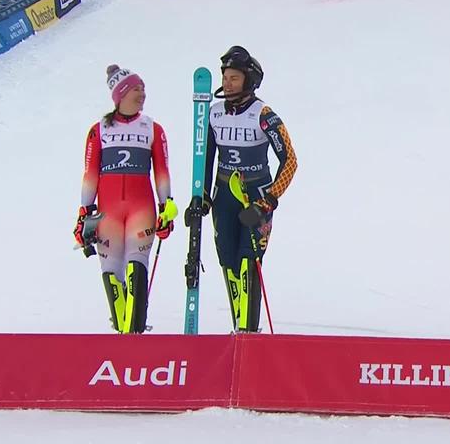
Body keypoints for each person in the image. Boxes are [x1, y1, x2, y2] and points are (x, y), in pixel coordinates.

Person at [185, 46, 298, 333]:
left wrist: (269, 200)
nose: (227, 83)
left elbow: (290, 160)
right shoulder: (213, 114)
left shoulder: (264, 114)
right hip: (224, 197)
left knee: (249, 260)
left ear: (249, 80)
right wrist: (203, 197)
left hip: (254, 198)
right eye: (225, 77)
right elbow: (205, 159)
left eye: (234, 78)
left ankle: (249, 330)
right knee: (228, 259)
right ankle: (239, 326)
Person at [75, 65, 177, 334]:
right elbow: (90, 175)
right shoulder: (99, 130)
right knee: (110, 270)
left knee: (136, 265)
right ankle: (122, 330)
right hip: (108, 212)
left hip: (140, 208)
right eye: (136, 89)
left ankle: (135, 331)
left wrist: (166, 207)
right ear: (120, 94)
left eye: (143, 88)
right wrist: (84, 212)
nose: (142, 94)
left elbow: (162, 172)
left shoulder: (153, 128)